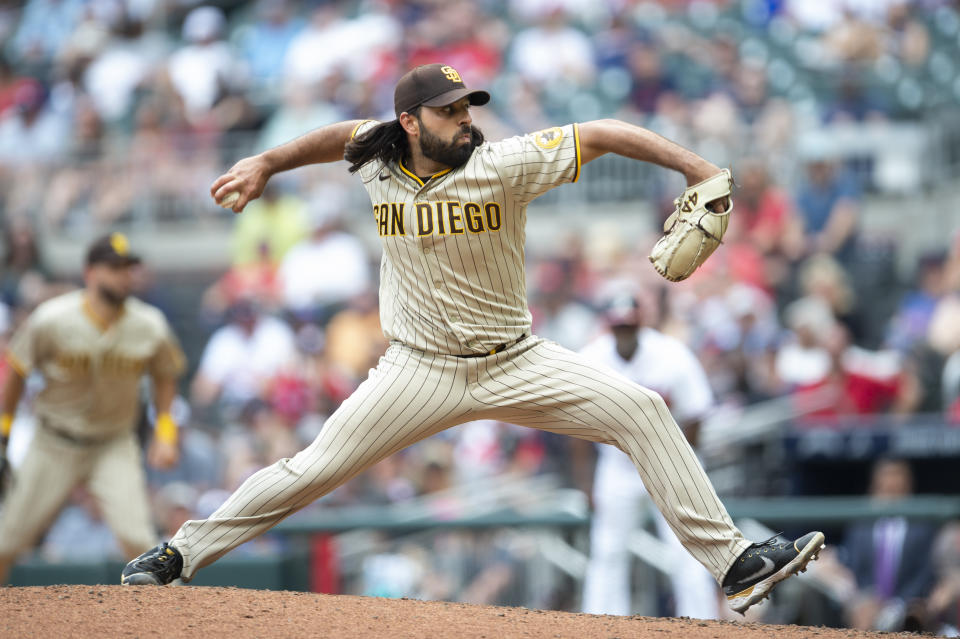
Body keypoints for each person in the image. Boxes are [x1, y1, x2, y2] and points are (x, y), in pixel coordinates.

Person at [122, 63, 824, 615]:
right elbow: (339, 136)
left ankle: (734, 563)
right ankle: (179, 554)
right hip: (416, 370)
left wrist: (697, 169)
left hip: (516, 360)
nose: (465, 121)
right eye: (450, 111)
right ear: (409, 121)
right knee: (310, 469)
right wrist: (269, 163)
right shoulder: (377, 154)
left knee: (643, 408)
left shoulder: (503, 163)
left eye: (467, 108)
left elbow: (605, 130)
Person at [0, 232, 186, 582]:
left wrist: (166, 432)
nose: (123, 275)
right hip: (53, 442)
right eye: (113, 267)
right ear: (89, 273)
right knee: (7, 542)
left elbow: (166, 374)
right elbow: (17, 369)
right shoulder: (51, 319)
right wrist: (4, 432)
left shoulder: (149, 324)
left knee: (139, 541)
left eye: (127, 268)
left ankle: (179, 626)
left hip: (112, 444)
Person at [580, 288, 720, 618]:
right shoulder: (591, 358)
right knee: (607, 550)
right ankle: (602, 623)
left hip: (669, 464)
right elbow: (573, 429)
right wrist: (586, 484)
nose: (624, 332)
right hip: (618, 464)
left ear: (641, 323)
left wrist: (678, 460)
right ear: (608, 327)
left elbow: (697, 413)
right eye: (618, 326)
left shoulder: (671, 354)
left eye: (629, 325)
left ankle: (703, 623)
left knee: (688, 549)